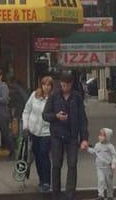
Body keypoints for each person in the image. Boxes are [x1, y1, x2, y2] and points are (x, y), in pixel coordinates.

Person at [43, 71, 89, 200]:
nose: (65, 88)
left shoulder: (77, 97)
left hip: (72, 136)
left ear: (71, 84)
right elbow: (45, 115)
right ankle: (55, 194)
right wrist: (56, 116)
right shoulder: (54, 96)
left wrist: (84, 138)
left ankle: (70, 194)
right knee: (56, 165)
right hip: (57, 135)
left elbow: (82, 119)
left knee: (72, 164)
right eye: (63, 85)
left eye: (67, 86)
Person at [22, 76, 55, 193]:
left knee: (44, 154)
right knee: (37, 156)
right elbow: (26, 111)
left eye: (49, 85)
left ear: (52, 87)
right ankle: (41, 180)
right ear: (41, 85)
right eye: (44, 84)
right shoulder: (34, 95)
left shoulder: (53, 99)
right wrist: (25, 127)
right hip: (33, 131)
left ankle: (46, 182)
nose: (47, 87)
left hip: (46, 132)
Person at [88, 128, 116, 200]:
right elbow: (94, 151)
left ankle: (110, 195)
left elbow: (115, 156)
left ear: (107, 137)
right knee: (101, 180)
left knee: (109, 182)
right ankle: (100, 195)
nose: (100, 137)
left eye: (102, 135)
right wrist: (87, 148)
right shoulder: (97, 145)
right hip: (99, 167)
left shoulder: (110, 146)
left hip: (108, 167)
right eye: (100, 135)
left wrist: (113, 163)